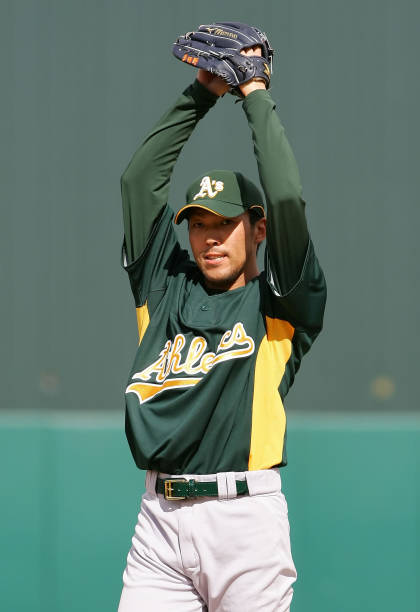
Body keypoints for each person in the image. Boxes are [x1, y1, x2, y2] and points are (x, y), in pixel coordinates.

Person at [118, 42, 326, 612]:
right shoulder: (164, 287)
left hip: (244, 522)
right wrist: (203, 90)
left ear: (258, 229)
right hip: (158, 522)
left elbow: (285, 197)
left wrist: (254, 92)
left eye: (226, 223)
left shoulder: (280, 304)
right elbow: (138, 182)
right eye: (198, 224)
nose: (209, 237)